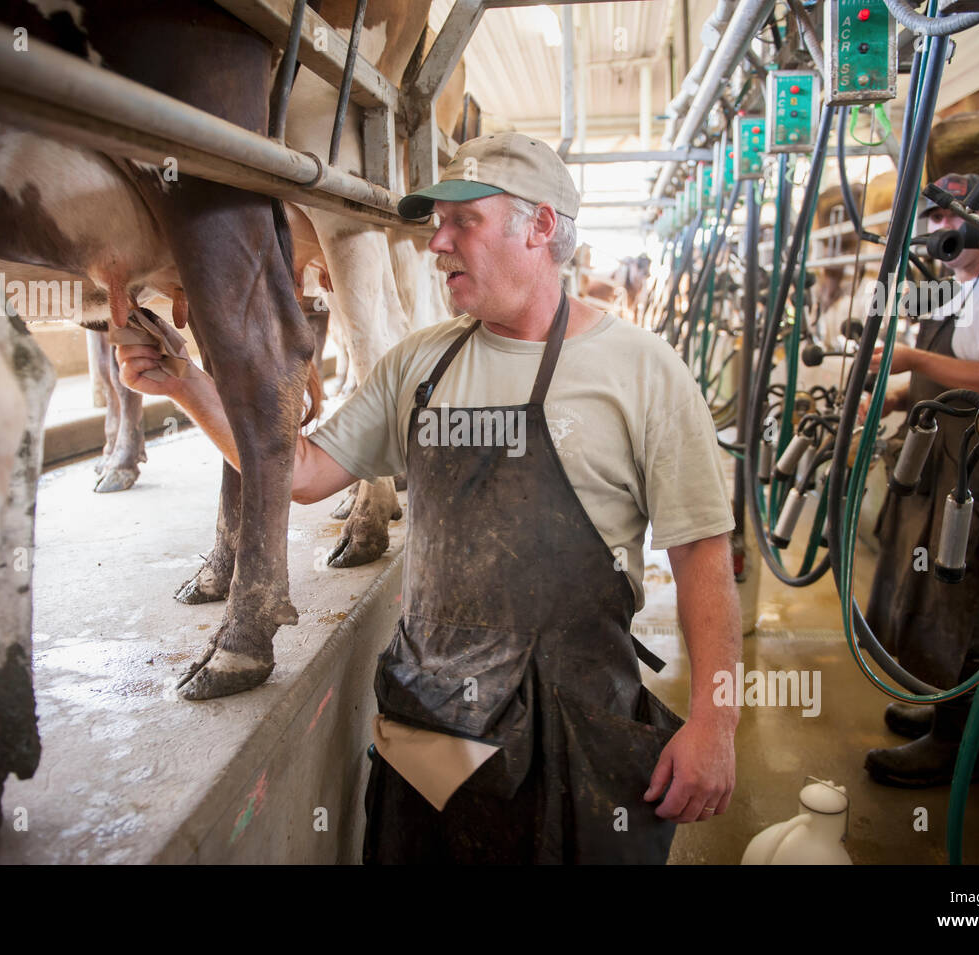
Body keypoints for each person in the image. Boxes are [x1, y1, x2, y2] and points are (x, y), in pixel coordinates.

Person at [116, 132, 742, 863]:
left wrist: (716, 720)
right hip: (431, 728)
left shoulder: (642, 371)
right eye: (435, 223)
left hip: (574, 732)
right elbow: (304, 472)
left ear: (539, 226)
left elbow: (701, 552)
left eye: (462, 222)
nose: (436, 243)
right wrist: (189, 386)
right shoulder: (421, 362)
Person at [862, 173, 979, 787]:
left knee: (975, 606)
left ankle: (961, 741)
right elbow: (950, 377)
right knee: (937, 592)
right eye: (934, 219)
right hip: (951, 467)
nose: (942, 229)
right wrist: (895, 396)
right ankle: (950, 713)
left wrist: (912, 360)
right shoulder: (958, 288)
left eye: (957, 213)